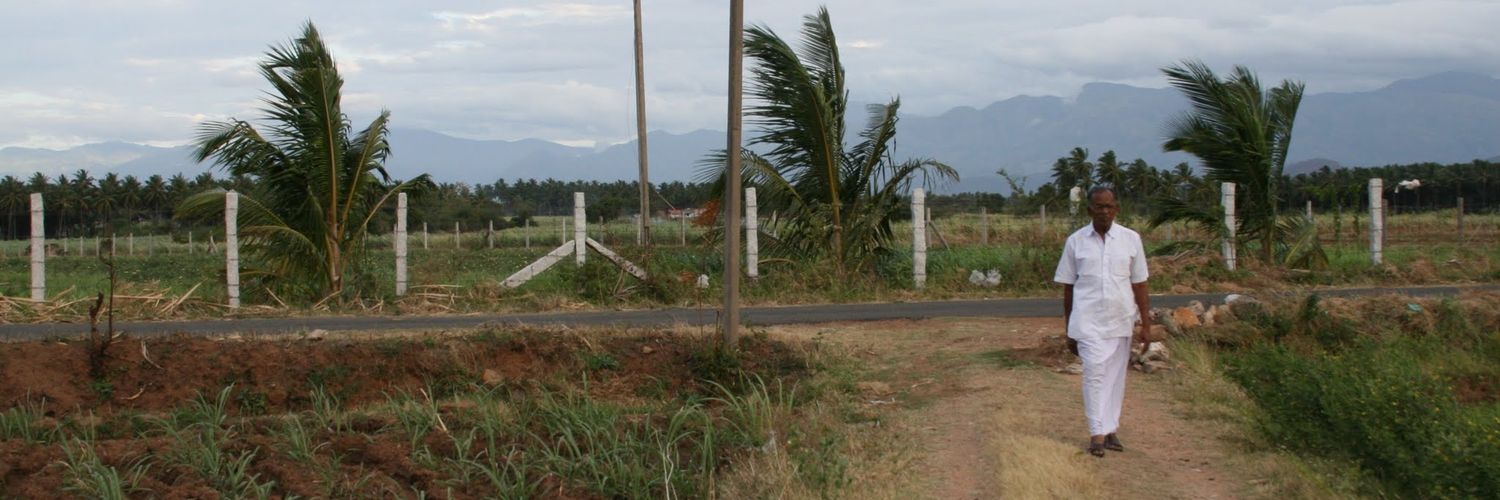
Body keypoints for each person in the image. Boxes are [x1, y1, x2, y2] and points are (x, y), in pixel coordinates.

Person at [1053, 185, 1151, 457]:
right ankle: (1096, 433)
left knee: (1114, 378)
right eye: (1099, 206)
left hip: (1120, 320)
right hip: (1087, 321)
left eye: (1109, 206)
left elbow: (1140, 283)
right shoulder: (1076, 241)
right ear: (1090, 210)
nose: (1104, 211)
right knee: (1094, 373)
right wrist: (1069, 329)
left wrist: (1146, 324)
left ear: (1116, 209)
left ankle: (1110, 430)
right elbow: (1068, 287)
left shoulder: (1131, 239)